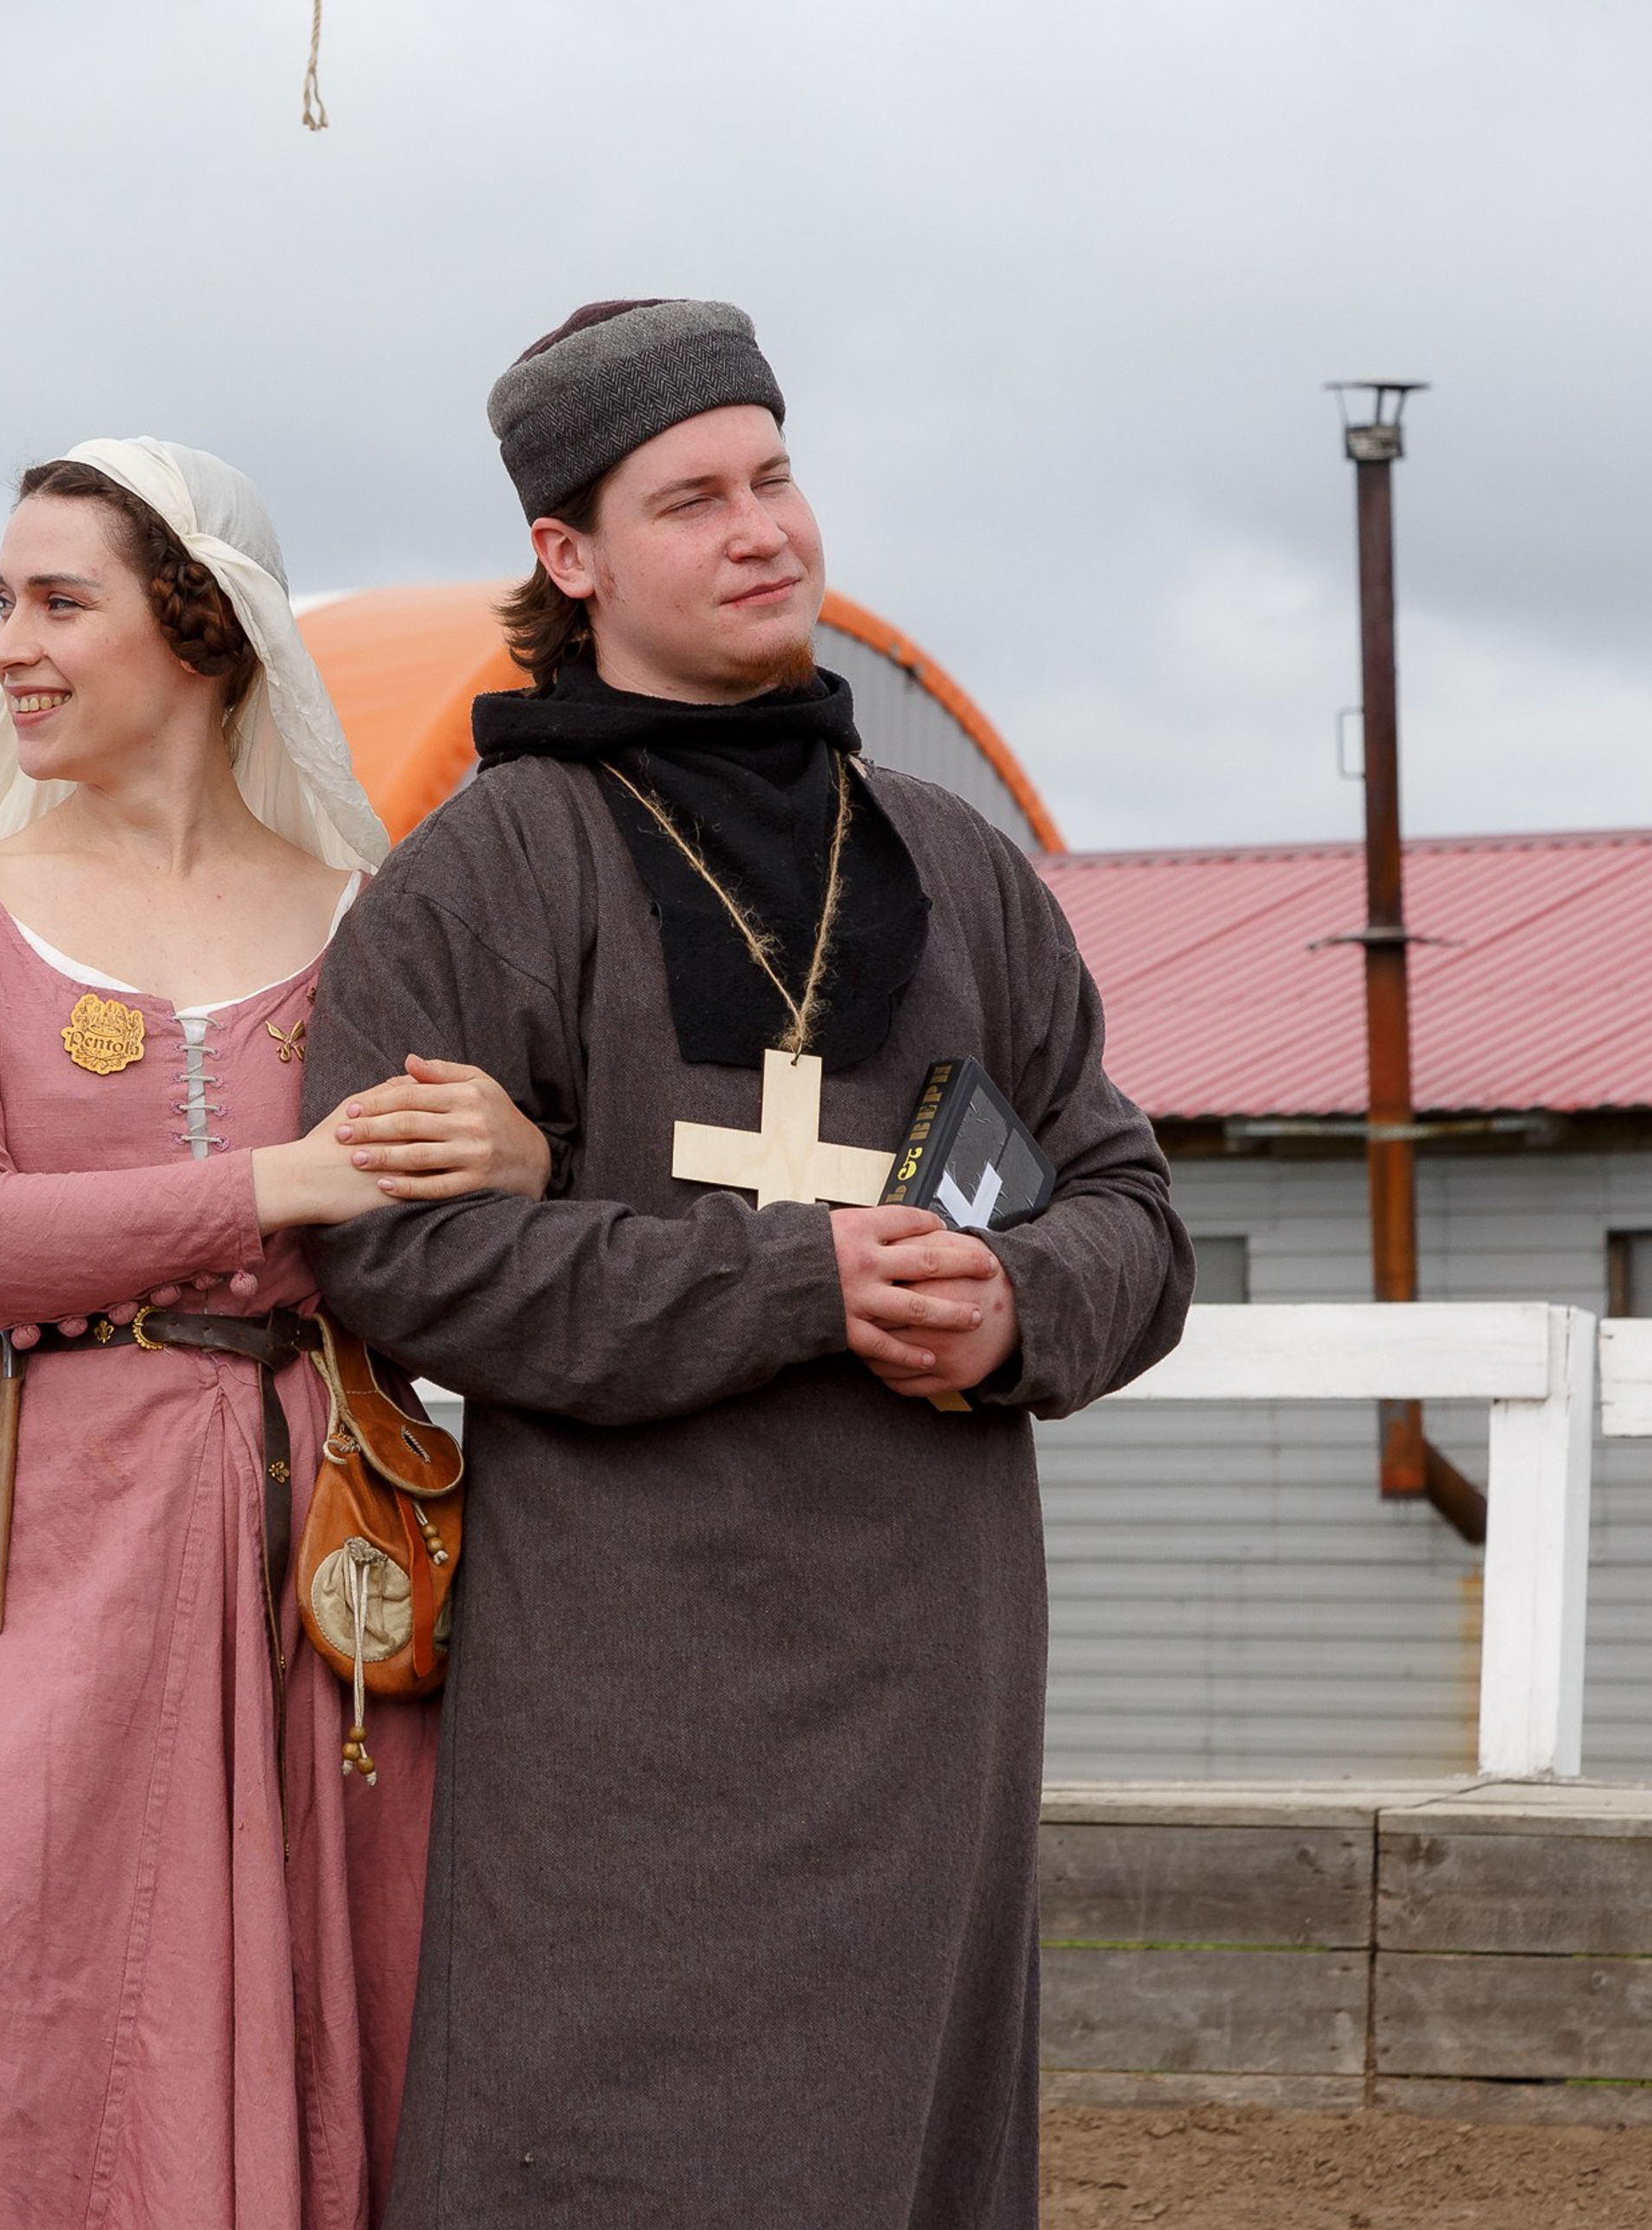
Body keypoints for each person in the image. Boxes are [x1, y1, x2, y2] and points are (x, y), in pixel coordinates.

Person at [300, 303, 1194, 2228]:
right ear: (569, 554)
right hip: (625, 1667)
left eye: (773, 475)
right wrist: (795, 1283)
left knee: (901, 2149)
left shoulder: (954, 863)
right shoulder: (483, 871)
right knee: (599, 2140)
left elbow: (1129, 1207)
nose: (761, 528)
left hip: (925, 1651)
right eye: (689, 496)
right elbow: (396, 1253)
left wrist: (1020, 1300)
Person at [0, 438, 550, 2230]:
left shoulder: (361, 918)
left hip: (322, 1541)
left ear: (202, 626)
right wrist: (283, 1178)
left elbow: (461, 1195)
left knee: (347, 1995)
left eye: (57, 600)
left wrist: (520, 1149)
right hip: (55, 1532)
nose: (7, 643)